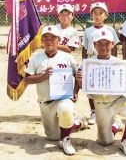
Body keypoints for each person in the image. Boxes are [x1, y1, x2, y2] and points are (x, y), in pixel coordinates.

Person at [76, 29, 126, 156]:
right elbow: (84, 88)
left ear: (112, 44)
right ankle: (116, 125)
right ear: (94, 45)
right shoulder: (88, 64)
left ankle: (125, 141)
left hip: (118, 101)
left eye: (107, 43)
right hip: (100, 105)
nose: (104, 47)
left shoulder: (120, 64)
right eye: (100, 44)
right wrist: (80, 81)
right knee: (105, 142)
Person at [24, 25, 86, 155]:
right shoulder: (36, 58)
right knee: (52, 137)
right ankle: (74, 123)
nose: (49, 41)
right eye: (45, 38)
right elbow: (27, 79)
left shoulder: (67, 57)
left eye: (53, 38)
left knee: (66, 109)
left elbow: (77, 75)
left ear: (59, 40)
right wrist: (43, 76)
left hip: (63, 98)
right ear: (41, 41)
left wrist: (75, 91)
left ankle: (65, 139)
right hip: (45, 102)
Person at [81, 2, 120, 125]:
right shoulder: (88, 31)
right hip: (93, 60)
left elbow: (114, 48)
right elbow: (85, 48)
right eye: (95, 13)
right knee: (92, 87)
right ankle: (93, 111)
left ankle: (112, 112)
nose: (98, 16)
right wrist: (85, 63)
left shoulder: (110, 30)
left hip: (107, 61)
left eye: (100, 13)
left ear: (106, 15)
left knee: (108, 86)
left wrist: (114, 63)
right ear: (91, 15)